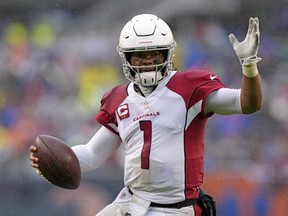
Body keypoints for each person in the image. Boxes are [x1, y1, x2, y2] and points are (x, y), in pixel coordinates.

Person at [30, 14, 262, 216]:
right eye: (139, 55)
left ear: (168, 54)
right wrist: (49, 160)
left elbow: (247, 103)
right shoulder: (119, 98)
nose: (148, 62)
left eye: (155, 54)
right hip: (131, 202)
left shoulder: (188, 87)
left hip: (175, 207)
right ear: (126, 58)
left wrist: (249, 66)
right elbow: (92, 155)